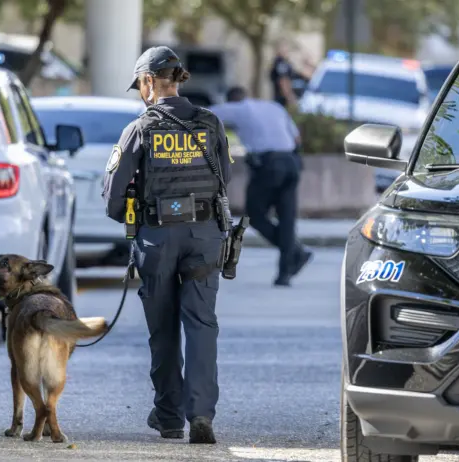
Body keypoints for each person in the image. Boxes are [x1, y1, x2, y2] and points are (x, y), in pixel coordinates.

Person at [101, 46, 232, 445]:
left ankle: (170, 416)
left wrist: (136, 216)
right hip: (205, 235)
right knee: (201, 324)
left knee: (163, 328)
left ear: (147, 83)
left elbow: (111, 199)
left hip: (157, 237)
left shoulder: (139, 129)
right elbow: (224, 179)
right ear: (178, 80)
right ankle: (202, 415)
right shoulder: (212, 123)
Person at [209, 87, 313, 287]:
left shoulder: (239, 108)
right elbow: (296, 138)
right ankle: (285, 273)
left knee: (254, 215)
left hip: (269, 165)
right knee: (287, 219)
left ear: (231, 101)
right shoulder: (273, 107)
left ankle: (297, 253)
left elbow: (205, 114)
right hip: (292, 163)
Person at [269, 40, 315, 109]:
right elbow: (283, 81)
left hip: (282, 98)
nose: (287, 50)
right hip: (283, 99)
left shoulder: (283, 62)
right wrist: (290, 97)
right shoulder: (281, 63)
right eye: (284, 47)